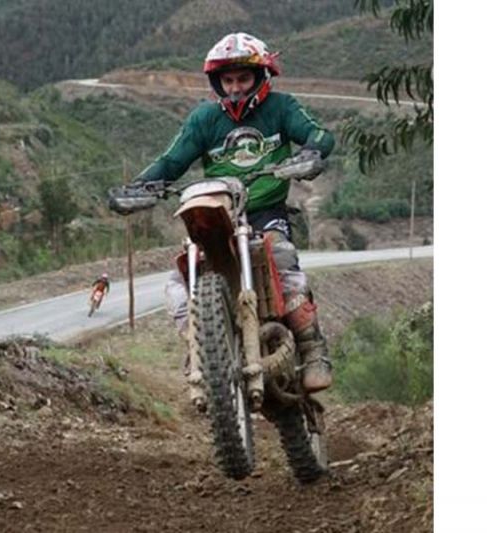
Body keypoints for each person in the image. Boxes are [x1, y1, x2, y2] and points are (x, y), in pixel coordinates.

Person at [118, 32, 334, 393]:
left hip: (265, 212)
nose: (235, 88)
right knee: (179, 279)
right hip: (217, 214)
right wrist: (140, 186)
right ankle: (199, 344)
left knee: (283, 259)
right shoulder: (204, 118)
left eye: (243, 79)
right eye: (228, 80)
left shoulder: (281, 107)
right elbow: (171, 161)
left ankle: (314, 351)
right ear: (217, 83)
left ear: (260, 77)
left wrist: (311, 152)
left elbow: (320, 134)